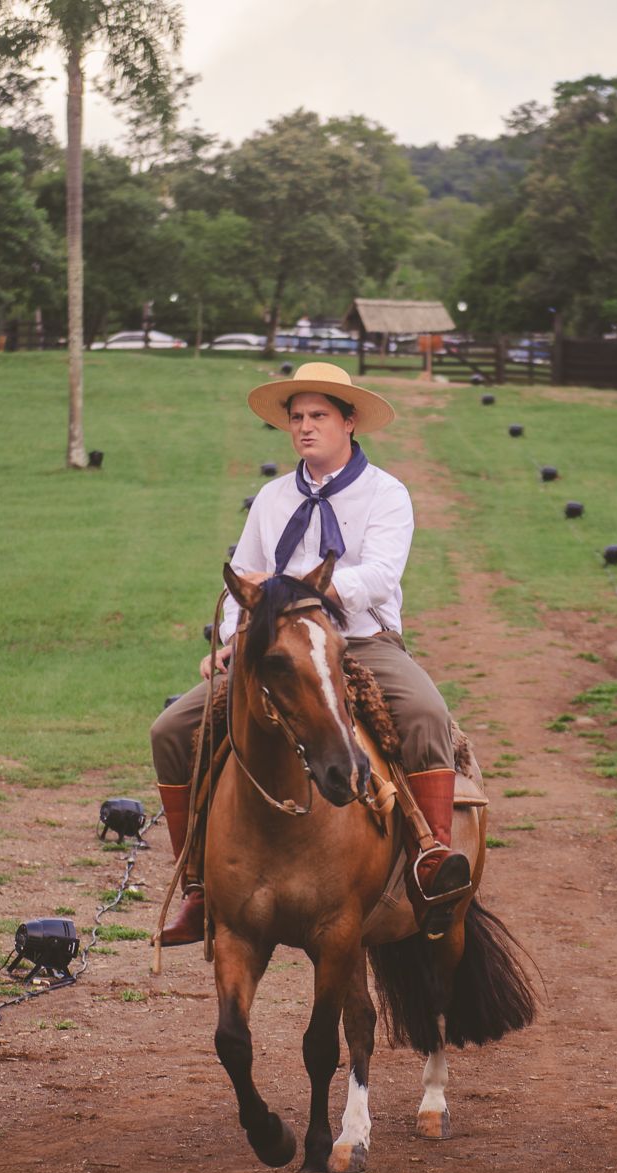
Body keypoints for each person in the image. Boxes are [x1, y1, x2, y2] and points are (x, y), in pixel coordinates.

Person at [148, 362, 471, 946]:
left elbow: (379, 576)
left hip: (361, 640)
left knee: (425, 712)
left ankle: (430, 860)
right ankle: (198, 883)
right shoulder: (272, 498)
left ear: (349, 422)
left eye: (318, 415)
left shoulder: (387, 494)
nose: (304, 427)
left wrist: (296, 590)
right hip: (275, 650)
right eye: (296, 417)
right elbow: (242, 580)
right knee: (171, 730)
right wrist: (231, 642)